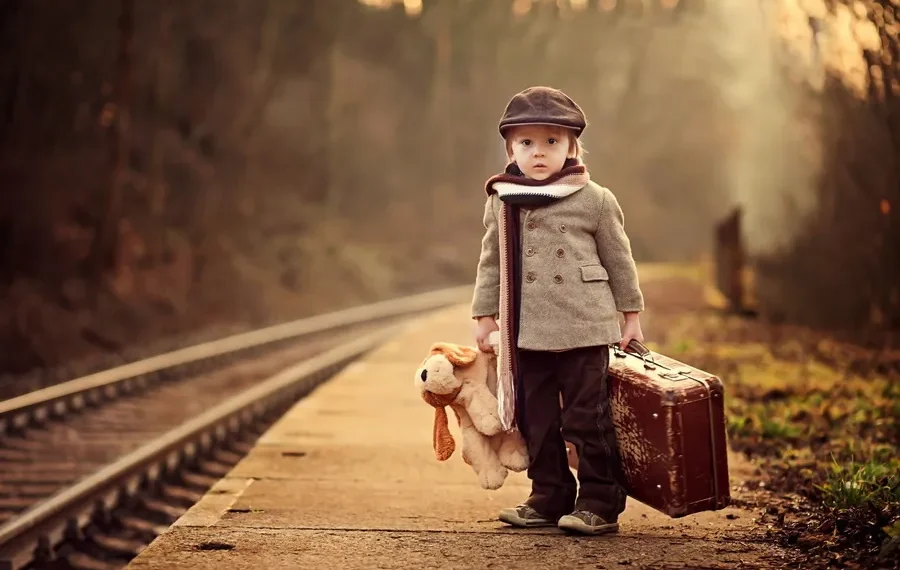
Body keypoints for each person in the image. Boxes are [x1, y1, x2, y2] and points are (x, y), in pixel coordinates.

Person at [471, 86, 645, 535]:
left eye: (552, 141)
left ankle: (600, 501)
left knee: (587, 418)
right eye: (527, 142)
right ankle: (548, 495)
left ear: (572, 147)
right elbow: (491, 258)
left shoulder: (596, 199)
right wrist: (484, 314)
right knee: (538, 420)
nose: (539, 151)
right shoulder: (502, 199)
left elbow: (619, 261)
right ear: (511, 148)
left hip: (584, 326)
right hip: (527, 328)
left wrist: (631, 315)